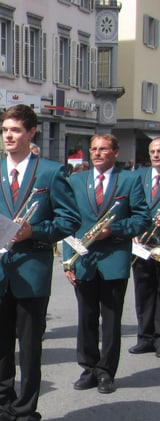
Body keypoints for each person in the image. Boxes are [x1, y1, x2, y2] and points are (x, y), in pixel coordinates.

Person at [0, 104, 80, 421]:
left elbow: (70, 220)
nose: (8, 136)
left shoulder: (50, 172)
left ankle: (26, 414)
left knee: (30, 348)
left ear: (31, 132)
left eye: (15, 130)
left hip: (32, 271)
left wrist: (36, 231)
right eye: (5, 130)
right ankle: (2, 410)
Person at [62, 134, 149, 394]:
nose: (97, 153)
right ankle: (88, 367)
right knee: (86, 316)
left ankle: (106, 371)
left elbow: (142, 219)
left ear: (115, 152)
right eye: (94, 149)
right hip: (84, 259)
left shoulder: (130, 180)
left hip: (114, 259)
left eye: (103, 149)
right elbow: (68, 223)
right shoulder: (76, 181)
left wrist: (114, 229)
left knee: (111, 318)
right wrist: (68, 261)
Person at [130, 137, 160, 357]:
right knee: (143, 291)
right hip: (142, 244)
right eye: (152, 151)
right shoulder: (138, 176)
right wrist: (131, 231)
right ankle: (145, 337)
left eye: (159, 151)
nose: (156, 155)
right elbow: (128, 207)